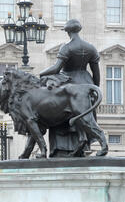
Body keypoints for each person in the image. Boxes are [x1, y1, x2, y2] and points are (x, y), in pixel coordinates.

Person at [39, 18, 102, 157]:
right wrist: (94, 89)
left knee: (59, 114)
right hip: (86, 82)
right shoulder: (90, 47)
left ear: (67, 31)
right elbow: (96, 74)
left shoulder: (67, 47)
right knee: (85, 118)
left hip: (69, 83)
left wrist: (41, 73)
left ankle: (62, 150)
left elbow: (56, 68)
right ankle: (84, 146)